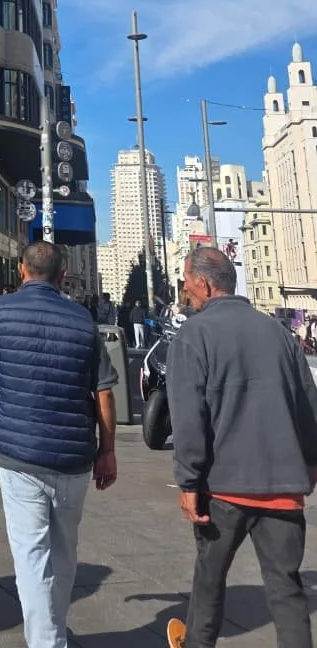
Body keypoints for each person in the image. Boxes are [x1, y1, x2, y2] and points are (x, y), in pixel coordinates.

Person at [0, 241, 118, 648]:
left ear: (21, 270)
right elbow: (104, 392)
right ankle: (53, 628)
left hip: (19, 455)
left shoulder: (0, 311)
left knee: (31, 556)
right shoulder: (83, 320)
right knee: (65, 550)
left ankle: (48, 641)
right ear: (63, 275)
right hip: (73, 457)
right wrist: (108, 451)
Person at [165, 247, 317, 648]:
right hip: (283, 488)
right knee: (287, 590)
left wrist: (188, 481)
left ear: (205, 283)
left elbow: (188, 418)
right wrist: (310, 466)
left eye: (186, 279)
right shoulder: (279, 334)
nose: (185, 287)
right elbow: (308, 406)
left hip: (224, 488)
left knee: (210, 581)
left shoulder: (194, 334)